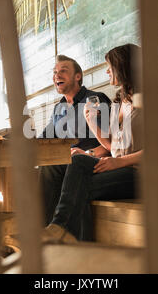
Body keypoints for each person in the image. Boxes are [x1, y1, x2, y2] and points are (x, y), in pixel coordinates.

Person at [43, 44, 143, 242]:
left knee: (78, 184)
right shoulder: (118, 103)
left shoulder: (148, 100)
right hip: (117, 168)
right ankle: (56, 231)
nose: (106, 71)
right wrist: (91, 123)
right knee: (75, 165)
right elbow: (111, 147)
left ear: (125, 66)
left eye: (110, 66)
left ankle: (62, 234)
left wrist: (118, 162)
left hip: (140, 173)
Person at [38, 55, 112, 227]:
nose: (57, 75)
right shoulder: (59, 108)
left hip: (93, 162)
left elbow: (111, 144)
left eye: (63, 71)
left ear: (77, 76)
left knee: (49, 169)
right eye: (55, 72)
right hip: (66, 164)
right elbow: (43, 139)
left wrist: (87, 154)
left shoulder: (95, 99)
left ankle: (48, 231)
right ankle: (44, 231)